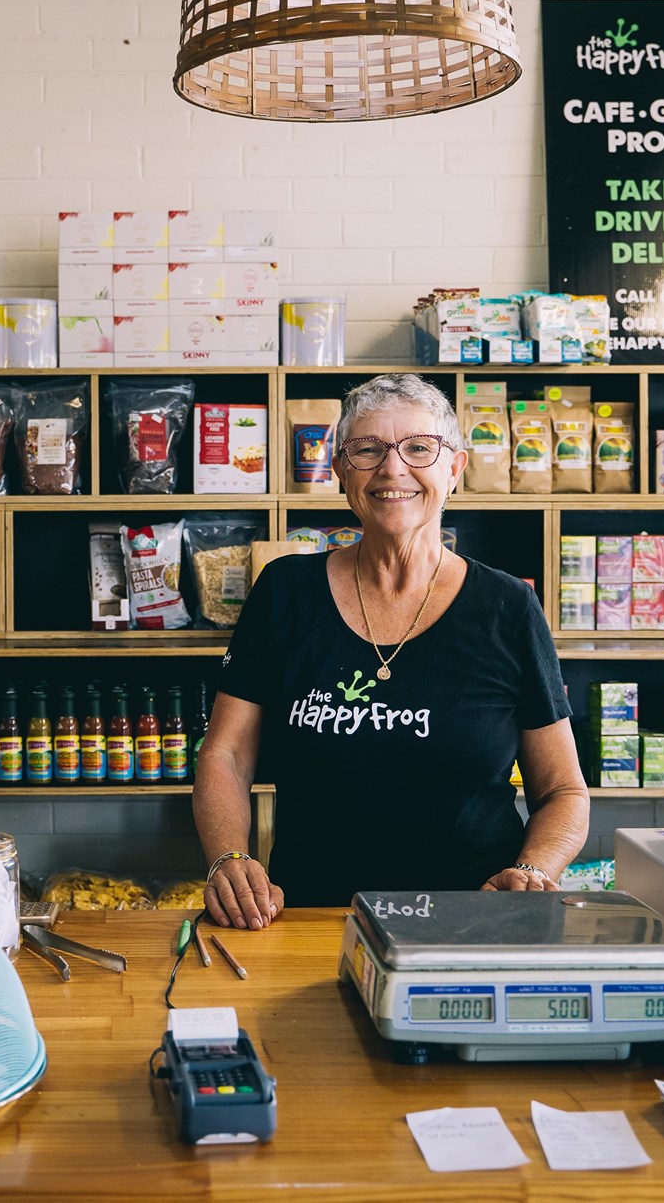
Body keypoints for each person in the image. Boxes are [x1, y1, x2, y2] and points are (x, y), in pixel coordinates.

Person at [194, 374, 588, 927]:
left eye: (419, 449)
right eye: (367, 449)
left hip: (475, 919)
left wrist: (531, 870)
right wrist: (229, 858)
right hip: (313, 917)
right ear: (338, 471)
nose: (392, 469)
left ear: (454, 469)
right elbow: (227, 757)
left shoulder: (507, 606)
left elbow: (563, 790)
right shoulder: (285, 592)